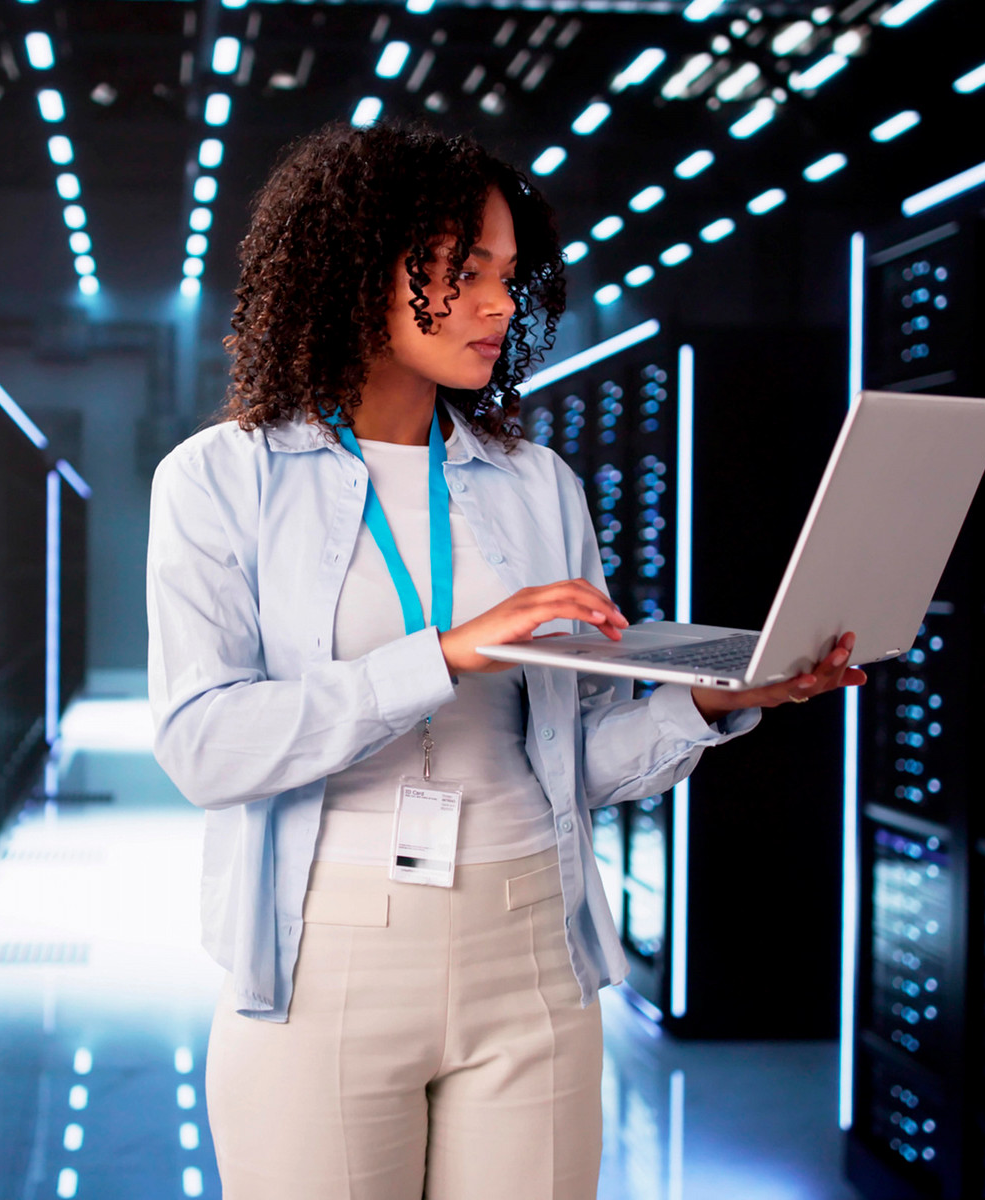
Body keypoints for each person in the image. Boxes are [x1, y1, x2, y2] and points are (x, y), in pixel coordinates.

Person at [146, 121, 865, 1200]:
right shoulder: (220, 480)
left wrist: (714, 705)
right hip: (326, 953)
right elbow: (205, 747)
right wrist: (440, 655)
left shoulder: (538, 487)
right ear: (353, 269)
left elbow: (568, 764)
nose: (497, 306)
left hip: (533, 941)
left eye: (507, 277)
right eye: (459, 273)